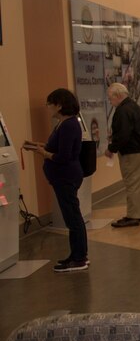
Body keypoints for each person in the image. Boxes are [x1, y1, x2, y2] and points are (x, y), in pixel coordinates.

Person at [23, 88, 88, 272]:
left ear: (59, 105)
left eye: (50, 103)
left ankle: (79, 258)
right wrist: (37, 145)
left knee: (72, 218)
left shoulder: (68, 125)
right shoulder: (63, 123)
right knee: (73, 216)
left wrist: (43, 153)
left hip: (66, 176)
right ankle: (77, 254)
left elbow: (64, 156)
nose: (48, 107)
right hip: (64, 176)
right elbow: (57, 147)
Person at [105, 82, 140, 227]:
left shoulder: (122, 110)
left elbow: (124, 134)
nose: (109, 101)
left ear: (118, 95)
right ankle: (139, 213)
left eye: (110, 98)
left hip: (132, 152)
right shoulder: (133, 106)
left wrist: (111, 148)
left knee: (132, 183)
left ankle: (133, 216)